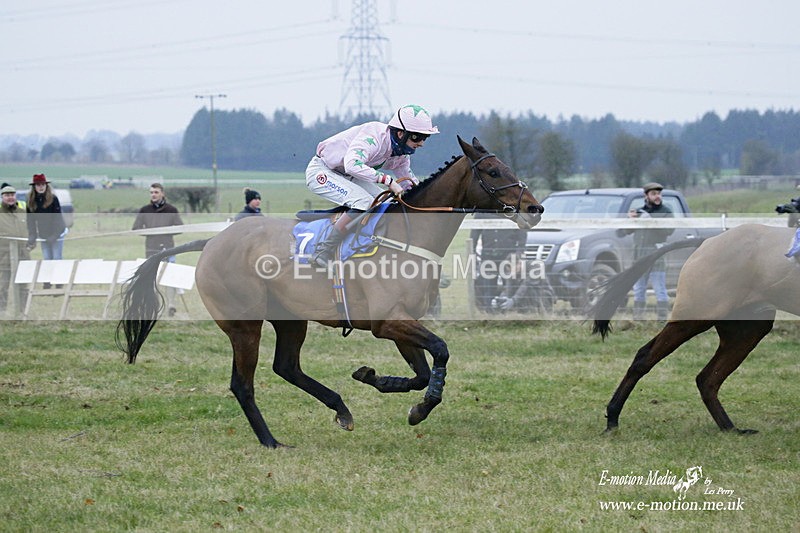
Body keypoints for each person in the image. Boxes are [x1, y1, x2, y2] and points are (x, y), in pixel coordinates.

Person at [305, 104, 439, 268]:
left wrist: (429, 199)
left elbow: (408, 183)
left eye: (425, 138)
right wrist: (388, 181)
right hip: (323, 171)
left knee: (385, 204)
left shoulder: (401, 155)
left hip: (349, 175)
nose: (421, 144)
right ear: (401, 133)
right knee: (363, 203)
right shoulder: (375, 136)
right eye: (417, 137)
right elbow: (352, 164)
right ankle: (323, 251)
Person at [624, 182, 674, 320]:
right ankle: (638, 318)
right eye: (653, 194)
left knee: (660, 289)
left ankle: (662, 319)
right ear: (646, 196)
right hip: (639, 256)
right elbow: (624, 232)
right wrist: (630, 220)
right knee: (639, 289)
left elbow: (669, 230)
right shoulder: (639, 212)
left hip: (656, 256)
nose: (657, 196)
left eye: (659, 193)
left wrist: (651, 221)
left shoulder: (666, 212)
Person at [132, 183, 184, 316]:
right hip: (151, 249)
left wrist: (166, 231)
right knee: (152, 279)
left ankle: (171, 304)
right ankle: (154, 306)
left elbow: (180, 227)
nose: (153, 195)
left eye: (156, 192)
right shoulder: (145, 210)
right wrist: (151, 232)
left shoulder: (171, 210)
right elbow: (136, 228)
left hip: (168, 248)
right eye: (151, 192)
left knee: (170, 277)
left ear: (162, 194)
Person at [470, 218, 527, 312]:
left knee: (508, 286)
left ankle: (507, 312)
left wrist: (519, 252)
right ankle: (489, 314)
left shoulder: (512, 210)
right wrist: (473, 254)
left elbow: (522, 233)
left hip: (508, 257)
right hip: (488, 256)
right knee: (488, 287)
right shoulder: (482, 212)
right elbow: (474, 235)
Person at [0, 183, 30, 316]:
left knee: (23, 285)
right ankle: (1, 311)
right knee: (2, 285)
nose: (10, 198)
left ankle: (22, 311)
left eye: (12, 195)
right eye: (7, 195)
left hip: (23, 253)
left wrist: (30, 243)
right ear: (2, 197)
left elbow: (30, 230)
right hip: (4, 255)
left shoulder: (22, 211)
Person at [26, 173, 67, 262]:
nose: (41, 187)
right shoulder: (30, 202)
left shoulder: (53, 199)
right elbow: (30, 221)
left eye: (43, 184)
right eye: (38, 185)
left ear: (46, 185)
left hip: (57, 232)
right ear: (34, 187)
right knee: (47, 259)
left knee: (56, 258)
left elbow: (58, 219)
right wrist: (32, 236)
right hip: (44, 234)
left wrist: (54, 236)